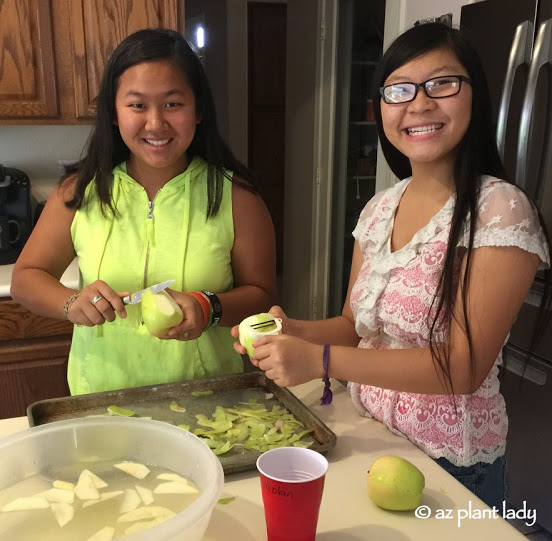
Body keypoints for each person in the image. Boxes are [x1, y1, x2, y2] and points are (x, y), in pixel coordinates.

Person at [233, 22, 551, 509]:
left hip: (452, 465)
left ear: (475, 96)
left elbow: (461, 369)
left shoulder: (499, 209)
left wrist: (318, 361)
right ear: (381, 107)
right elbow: (352, 325)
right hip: (371, 435)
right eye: (399, 90)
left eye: (442, 84)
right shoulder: (380, 208)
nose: (419, 104)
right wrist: (292, 331)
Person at [11, 28, 276, 395]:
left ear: (198, 110)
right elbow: (25, 278)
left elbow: (261, 293)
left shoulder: (235, 196)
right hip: (101, 397)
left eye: (172, 104)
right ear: (114, 113)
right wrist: (70, 303)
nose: (155, 123)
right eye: (137, 105)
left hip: (208, 398)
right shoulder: (78, 192)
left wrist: (209, 307)